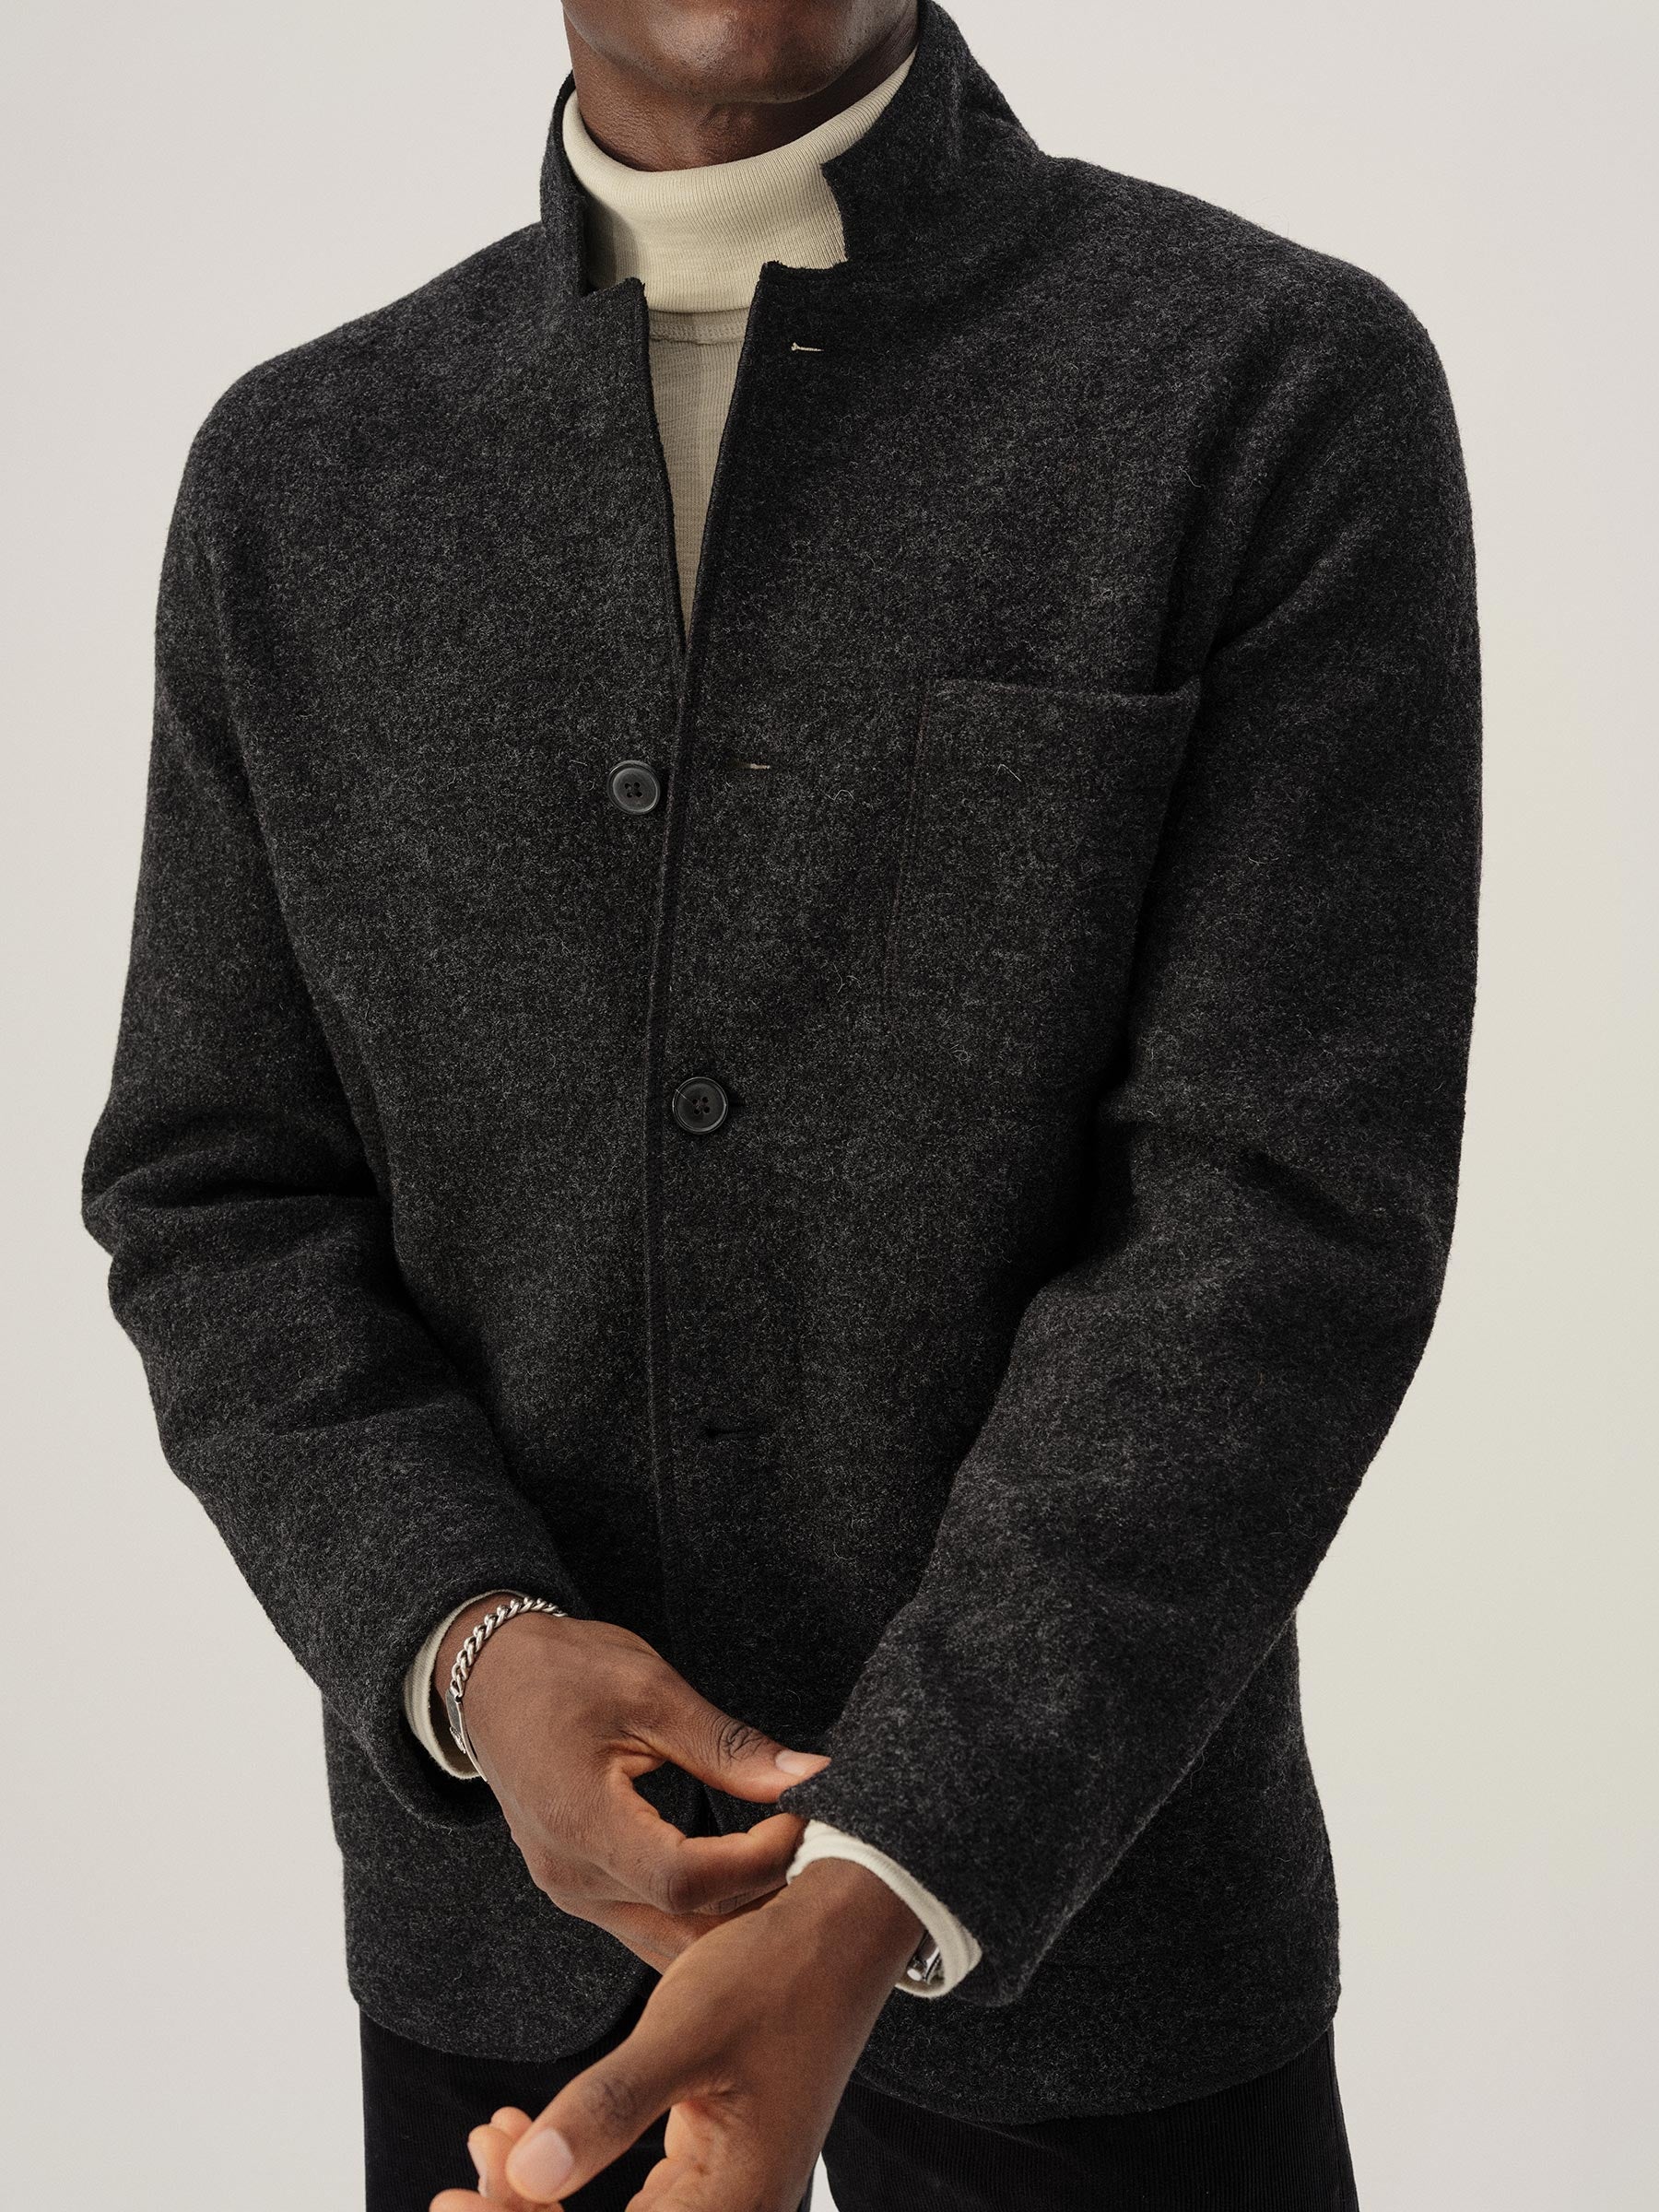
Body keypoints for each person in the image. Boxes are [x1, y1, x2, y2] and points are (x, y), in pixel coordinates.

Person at [82, 1, 1480, 2206]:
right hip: (508, 1959)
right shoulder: (303, 474)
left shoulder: (1262, 387)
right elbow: (218, 1192)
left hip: (1095, 1937)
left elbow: (1277, 1219)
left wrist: (895, 1855)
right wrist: (469, 1646)